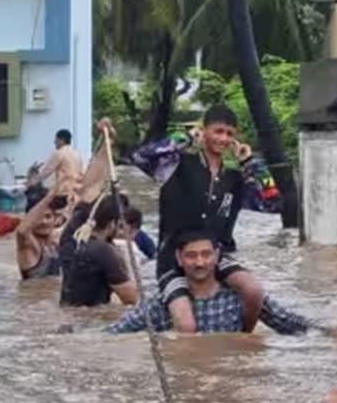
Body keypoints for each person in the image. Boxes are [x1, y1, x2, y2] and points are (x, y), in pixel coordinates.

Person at [113, 105, 266, 334]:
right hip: (174, 260)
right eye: (218, 131)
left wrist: (249, 163)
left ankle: (242, 342)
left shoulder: (235, 178)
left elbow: (268, 203)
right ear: (203, 132)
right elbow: (140, 157)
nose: (223, 139)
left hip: (216, 257)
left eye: (229, 134)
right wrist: (182, 138)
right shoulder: (175, 164)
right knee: (186, 324)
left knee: (253, 290)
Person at [106, 232, 337, 337]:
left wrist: (330, 332)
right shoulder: (164, 305)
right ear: (180, 259)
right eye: (191, 256)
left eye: (206, 254)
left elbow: (290, 322)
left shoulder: (237, 297)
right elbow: (116, 334)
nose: (200, 262)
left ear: (217, 256)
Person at [59, 194, 139, 306]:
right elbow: (131, 299)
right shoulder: (103, 251)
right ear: (112, 223)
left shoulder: (76, 242)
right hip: (90, 318)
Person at [16, 178, 72, 280]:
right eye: (38, 218)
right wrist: (49, 197)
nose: (44, 222)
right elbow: (21, 231)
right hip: (35, 295)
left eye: (48, 216)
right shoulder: (29, 246)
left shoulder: (55, 242)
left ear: (55, 219)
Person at [27, 128, 83, 211]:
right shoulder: (77, 154)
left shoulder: (60, 153)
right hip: (76, 192)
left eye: (56, 140)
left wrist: (32, 182)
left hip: (63, 193)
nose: (54, 143)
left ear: (62, 140)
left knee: (34, 201)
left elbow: (47, 172)